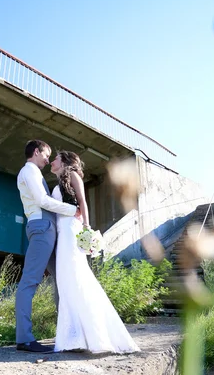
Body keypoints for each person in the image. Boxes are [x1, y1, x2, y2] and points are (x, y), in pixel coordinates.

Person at [50, 150, 140, 354]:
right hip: (61, 232)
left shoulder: (73, 175)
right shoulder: (56, 185)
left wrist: (86, 228)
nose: (51, 161)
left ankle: (95, 336)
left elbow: (82, 202)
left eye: (55, 158)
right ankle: (74, 338)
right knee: (65, 281)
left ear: (64, 161)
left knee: (77, 277)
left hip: (72, 229)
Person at [15, 140, 81, 353]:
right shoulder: (29, 171)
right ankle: (24, 338)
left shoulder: (35, 172)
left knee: (62, 279)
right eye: (46, 154)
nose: (48, 159)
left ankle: (69, 333)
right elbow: (42, 200)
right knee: (30, 281)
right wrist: (73, 210)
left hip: (48, 228)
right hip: (42, 227)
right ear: (36, 152)